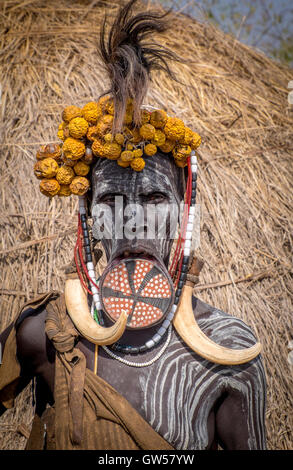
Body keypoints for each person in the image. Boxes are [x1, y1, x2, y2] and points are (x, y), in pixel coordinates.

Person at [0, 0, 266, 450]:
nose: (136, 222)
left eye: (156, 198)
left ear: (183, 214)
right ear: (88, 217)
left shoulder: (230, 352)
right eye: (111, 201)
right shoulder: (43, 334)